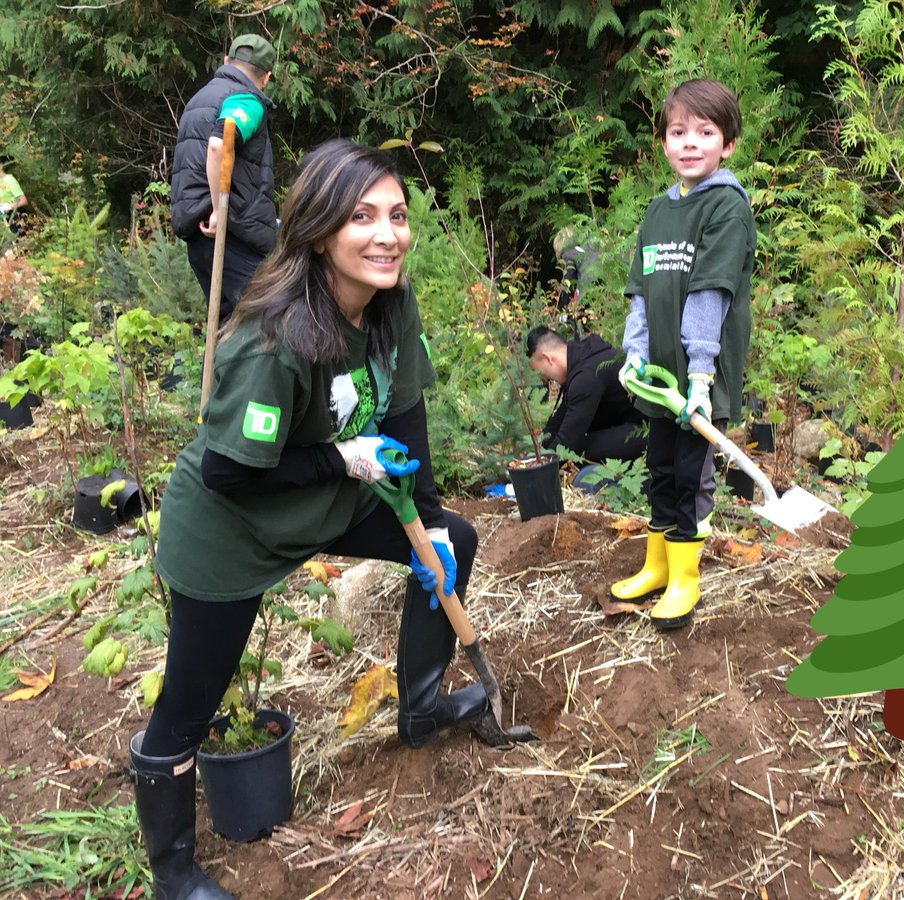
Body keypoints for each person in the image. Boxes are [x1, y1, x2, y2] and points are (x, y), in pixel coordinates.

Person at [129, 139, 517, 900]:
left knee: (453, 541)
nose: (387, 234)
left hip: (324, 501)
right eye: (362, 215)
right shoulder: (274, 334)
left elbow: (405, 411)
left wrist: (426, 522)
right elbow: (229, 472)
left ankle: (423, 706)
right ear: (318, 230)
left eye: (398, 215)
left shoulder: (388, 303)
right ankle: (173, 870)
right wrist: (346, 460)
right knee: (189, 704)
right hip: (228, 531)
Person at [612, 79, 756, 631]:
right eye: (678, 132)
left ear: (728, 144)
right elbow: (642, 293)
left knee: (691, 473)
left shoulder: (725, 206)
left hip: (700, 376)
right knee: (660, 469)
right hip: (659, 376)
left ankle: (685, 579)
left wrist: (699, 374)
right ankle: (655, 565)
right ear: (664, 142)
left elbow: (709, 295)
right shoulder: (657, 212)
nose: (690, 143)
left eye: (705, 132)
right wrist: (634, 353)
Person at [171, 34, 279, 324]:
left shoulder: (200, 98)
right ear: (266, 77)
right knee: (267, 322)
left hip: (199, 233)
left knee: (229, 328)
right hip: (230, 235)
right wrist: (220, 210)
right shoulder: (246, 99)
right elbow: (220, 143)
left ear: (226, 61)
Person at [525, 325, 646, 482]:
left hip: (646, 432)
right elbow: (559, 422)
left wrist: (534, 477)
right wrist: (534, 456)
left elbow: (568, 442)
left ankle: (613, 482)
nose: (545, 379)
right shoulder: (582, 360)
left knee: (580, 449)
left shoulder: (586, 377)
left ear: (548, 358)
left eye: (542, 373)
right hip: (628, 426)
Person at [0, 156, 28, 234]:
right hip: (4, 218)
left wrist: (7, 207)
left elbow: (24, 201)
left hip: (16, 216)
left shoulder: (10, 180)